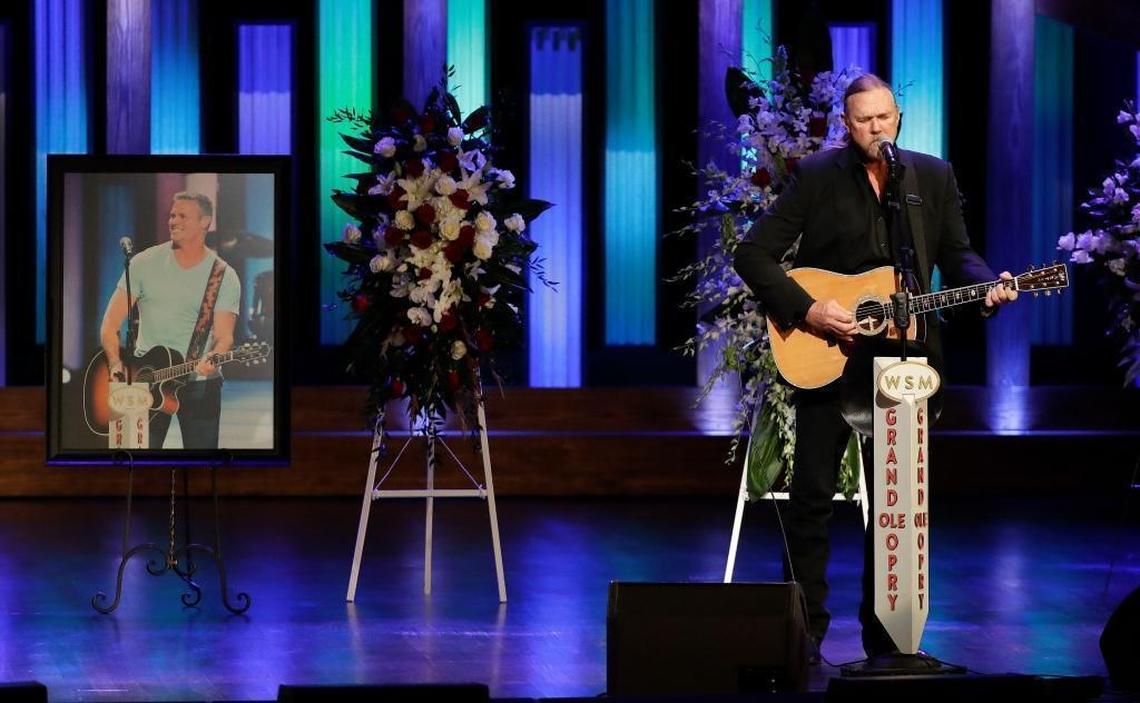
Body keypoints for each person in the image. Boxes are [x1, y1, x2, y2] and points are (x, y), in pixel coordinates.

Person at [733, 73, 1018, 660]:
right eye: (864, 120)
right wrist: (808, 309)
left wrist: (986, 285)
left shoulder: (929, 176)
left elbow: (956, 252)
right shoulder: (816, 176)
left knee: (898, 500)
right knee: (810, 493)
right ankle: (803, 630)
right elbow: (752, 252)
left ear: (898, 119)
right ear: (847, 123)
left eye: (884, 118)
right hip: (830, 351)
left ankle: (888, 636)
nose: (876, 128)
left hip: (904, 355)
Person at [99, 191, 241, 449]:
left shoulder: (223, 275)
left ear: (205, 222)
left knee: (201, 467)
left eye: (182, 216)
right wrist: (115, 362)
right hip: (143, 382)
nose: (173, 221)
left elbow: (224, 336)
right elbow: (109, 324)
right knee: (135, 466)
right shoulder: (142, 263)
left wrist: (215, 356)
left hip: (199, 385)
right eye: (172, 215)